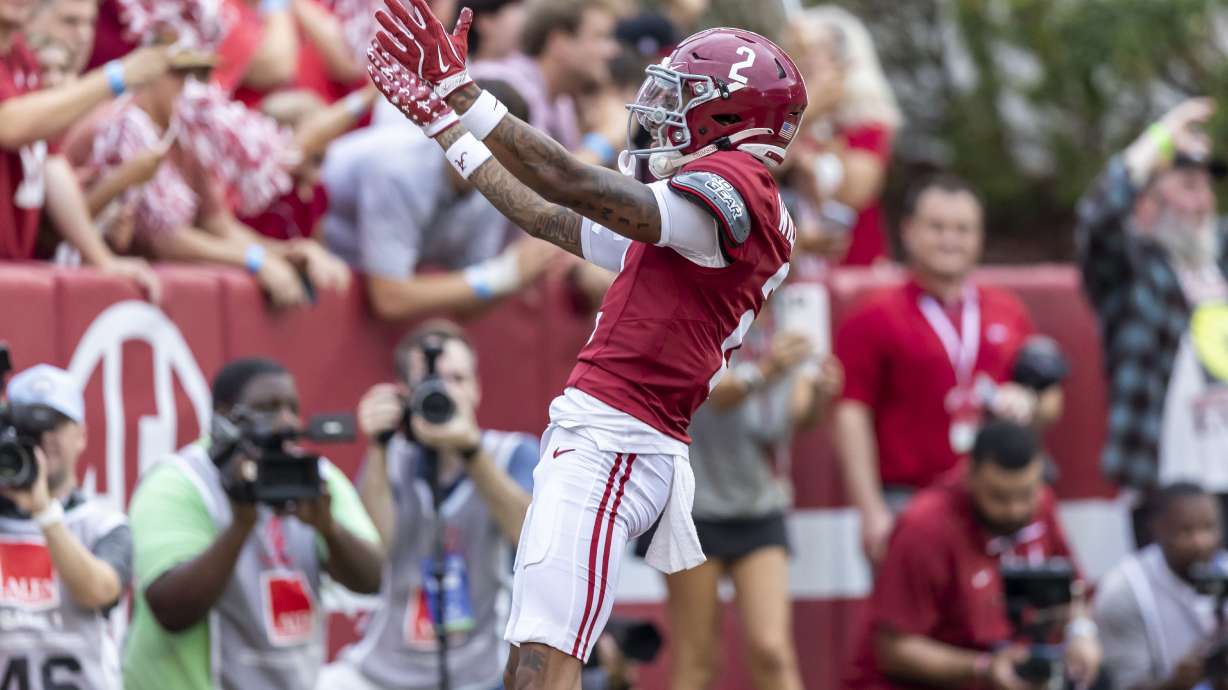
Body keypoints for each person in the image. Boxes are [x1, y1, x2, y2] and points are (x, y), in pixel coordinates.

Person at [369, 3, 808, 687]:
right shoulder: (696, 214)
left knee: (544, 664)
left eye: (686, 96)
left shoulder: (739, 189)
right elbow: (548, 215)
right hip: (604, 435)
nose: (663, 110)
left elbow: (572, 181)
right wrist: (446, 128)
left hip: (619, 437)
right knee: (530, 664)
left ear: (732, 116)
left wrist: (462, 91)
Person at [833, 174, 1063, 568]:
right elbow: (849, 413)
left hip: (997, 498)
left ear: (980, 236)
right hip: (910, 497)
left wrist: (1029, 403)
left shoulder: (1007, 310)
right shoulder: (873, 314)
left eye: (963, 229)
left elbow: (1050, 400)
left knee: (1001, 621)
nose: (950, 240)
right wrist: (871, 510)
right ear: (908, 231)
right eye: (937, 227)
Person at [122, 358, 384, 690]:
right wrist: (240, 526)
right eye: (268, 408)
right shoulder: (179, 482)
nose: (286, 421)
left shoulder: (315, 477)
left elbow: (375, 579)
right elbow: (171, 611)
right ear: (223, 417)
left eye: (292, 408)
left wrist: (328, 528)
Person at [318, 320, 539, 690]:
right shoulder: (391, 458)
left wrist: (470, 452)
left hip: (484, 671)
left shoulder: (512, 453)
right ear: (405, 394)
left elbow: (530, 538)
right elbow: (372, 555)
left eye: (457, 379)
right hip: (384, 669)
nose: (446, 392)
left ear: (477, 389)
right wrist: (378, 447)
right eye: (432, 381)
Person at [69, 46, 351, 309]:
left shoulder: (186, 134)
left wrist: (286, 252)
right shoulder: (122, 125)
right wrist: (254, 261)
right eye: (183, 75)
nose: (194, 87)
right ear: (150, 73)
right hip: (82, 283)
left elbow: (219, 226)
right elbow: (163, 238)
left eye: (202, 75)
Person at [661, 303, 843, 690]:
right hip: (694, 508)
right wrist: (768, 370)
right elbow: (715, 393)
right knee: (698, 660)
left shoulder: (788, 324)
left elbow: (797, 416)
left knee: (772, 650)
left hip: (760, 505)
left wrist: (821, 393)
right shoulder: (701, 315)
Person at [845, 421, 1103, 690]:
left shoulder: (1042, 505)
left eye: (1026, 494)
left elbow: (1075, 594)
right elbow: (893, 650)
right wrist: (983, 668)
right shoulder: (926, 527)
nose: (1015, 509)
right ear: (970, 475)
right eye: (999, 497)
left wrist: (1082, 633)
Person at [1075, 97, 1228, 546]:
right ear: (1147, 200)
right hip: (1166, 486)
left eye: (1206, 187)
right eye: (1186, 184)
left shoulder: (1219, 262)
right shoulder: (1133, 268)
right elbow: (1098, 218)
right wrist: (1158, 142)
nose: (1202, 201)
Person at [321, 79, 558, 321]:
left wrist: (515, 274)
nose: (479, 150)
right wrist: (505, 274)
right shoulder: (399, 170)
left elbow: (467, 305)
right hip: (309, 245)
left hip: (347, 281)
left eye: (496, 147)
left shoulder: (497, 187)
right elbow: (389, 299)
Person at [0, 0, 162, 299]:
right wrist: (116, 77)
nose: (82, 34)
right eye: (70, 22)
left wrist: (102, 260)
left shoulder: (21, 57)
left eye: (88, 23)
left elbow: (50, 163)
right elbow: (8, 125)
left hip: (15, 275)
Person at [0, 364, 131, 690]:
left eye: (55, 424)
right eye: (29, 427)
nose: (44, 439)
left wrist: (44, 512)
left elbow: (99, 592)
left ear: (82, 435)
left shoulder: (103, 523)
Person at [779, 5, 902, 266]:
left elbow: (854, 192)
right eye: (800, 51)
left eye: (818, 50)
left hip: (854, 263)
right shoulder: (783, 118)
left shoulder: (865, 123)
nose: (806, 60)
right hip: (791, 264)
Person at [1094, 483, 1228, 690]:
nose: (1200, 542)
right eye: (1186, 531)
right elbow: (1126, 685)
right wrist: (1177, 682)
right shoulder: (1125, 591)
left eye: (1209, 528)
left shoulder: (1222, 570)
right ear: (1158, 529)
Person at [465, 0, 621, 153]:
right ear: (560, 43)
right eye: (600, 37)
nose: (612, 50)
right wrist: (603, 140)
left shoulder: (561, 101)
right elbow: (537, 177)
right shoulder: (503, 87)